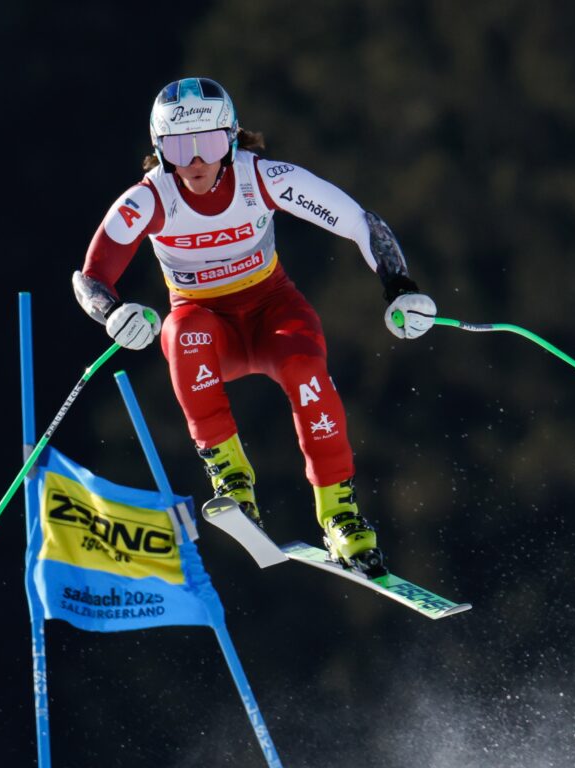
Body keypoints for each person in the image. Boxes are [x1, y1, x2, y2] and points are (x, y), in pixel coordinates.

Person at [73, 77, 436, 575]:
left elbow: (358, 222)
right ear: (159, 151)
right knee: (181, 336)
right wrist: (113, 313)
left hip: (272, 313)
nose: (196, 161)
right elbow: (93, 276)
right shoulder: (150, 198)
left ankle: (340, 515)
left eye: (210, 143)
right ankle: (233, 482)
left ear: (232, 139)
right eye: (179, 148)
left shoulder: (261, 177)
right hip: (205, 323)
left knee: (306, 371)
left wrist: (399, 286)